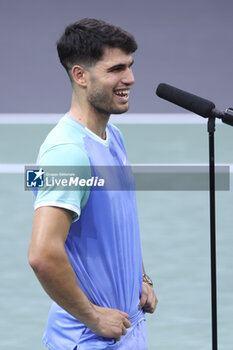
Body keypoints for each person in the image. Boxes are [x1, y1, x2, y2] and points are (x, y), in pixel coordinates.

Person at [28, 18, 158, 350]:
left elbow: (119, 220)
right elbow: (42, 254)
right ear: (80, 75)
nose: (129, 78)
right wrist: (94, 317)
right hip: (89, 339)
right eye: (115, 69)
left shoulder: (112, 137)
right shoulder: (66, 153)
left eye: (129, 66)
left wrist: (140, 278)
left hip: (127, 328)